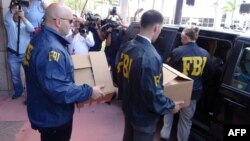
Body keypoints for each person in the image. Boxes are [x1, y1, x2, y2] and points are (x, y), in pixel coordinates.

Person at [23, 3, 104, 141]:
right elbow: (58, 90)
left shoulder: (39, 39)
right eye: (71, 21)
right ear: (58, 22)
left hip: (45, 111)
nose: (73, 24)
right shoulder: (51, 49)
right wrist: (89, 91)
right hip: (54, 117)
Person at [115, 10, 184, 141]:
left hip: (129, 106)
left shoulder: (128, 46)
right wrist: (170, 106)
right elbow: (151, 93)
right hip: (143, 116)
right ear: (156, 28)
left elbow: (119, 74)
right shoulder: (150, 56)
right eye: (160, 29)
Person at [160, 27, 213, 141]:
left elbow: (166, 69)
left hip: (175, 89)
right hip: (193, 93)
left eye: (181, 38)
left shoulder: (177, 51)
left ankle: (164, 137)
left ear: (185, 37)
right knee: (186, 121)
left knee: (168, 114)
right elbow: (209, 74)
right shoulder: (205, 54)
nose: (180, 40)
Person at [4, 1, 34, 99]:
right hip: (13, 55)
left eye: (19, 13)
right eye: (16, 14)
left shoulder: (25, 25)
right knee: (15, 76)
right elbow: (7, 17)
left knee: (29, 75)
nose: (17, 15)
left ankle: (29, 94)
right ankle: (18, 91)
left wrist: (24, 17)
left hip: (25, 55)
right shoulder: (10, 24)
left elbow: (32, 29)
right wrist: (14, 8)